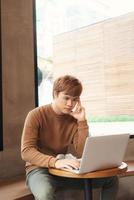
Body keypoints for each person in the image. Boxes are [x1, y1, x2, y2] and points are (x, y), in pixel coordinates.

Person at [21, 75, 118, 200]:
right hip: (38, 169)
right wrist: (55, 162)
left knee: (111, 180)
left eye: (75, 99)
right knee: (45, 193)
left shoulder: (74, 119)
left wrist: (82, 121)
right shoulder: (35, 115)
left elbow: (82, 151)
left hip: (63, 170)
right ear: (55, 94)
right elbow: (26, 152)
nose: (70, 104)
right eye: (66, 98)